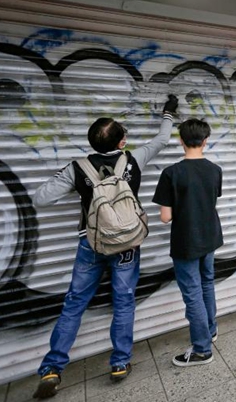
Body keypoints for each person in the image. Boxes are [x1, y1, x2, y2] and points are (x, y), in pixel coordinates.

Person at [31, 96, 178, 399]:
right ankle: (120, 363)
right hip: (126, 244)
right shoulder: (133, 159)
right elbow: (163, 138)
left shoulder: (78, 168)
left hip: (92, 243)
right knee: (123, 302)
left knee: (74, 304)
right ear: (122, 141)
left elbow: (40, 198)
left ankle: (52, 369)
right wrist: (168, 111)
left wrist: (78, 186)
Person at [153, 118, 223, 367]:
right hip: (210, 236)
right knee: (206, 284)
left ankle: (202, 349)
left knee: (192, 293)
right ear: (206, 141)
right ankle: (210, 330)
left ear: (180, 140)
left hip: (186, 242)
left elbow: (165, 217)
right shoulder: (215, 170)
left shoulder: (171, 173)